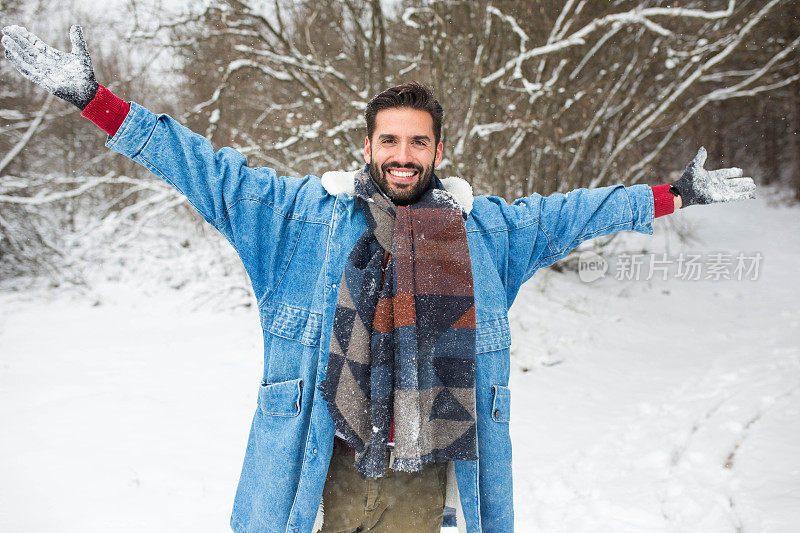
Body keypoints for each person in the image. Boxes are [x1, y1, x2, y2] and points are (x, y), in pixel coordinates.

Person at [1, 25, 756, 533]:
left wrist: (674, 194)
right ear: (368, 144)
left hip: (419, 480)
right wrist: (94, 102)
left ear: (437, 150)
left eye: (417, 142)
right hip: (311, 471)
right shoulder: (300, 218)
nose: (402, 154)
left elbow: (573, 213)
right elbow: (205, 168)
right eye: (389, 140)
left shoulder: (482, 231)